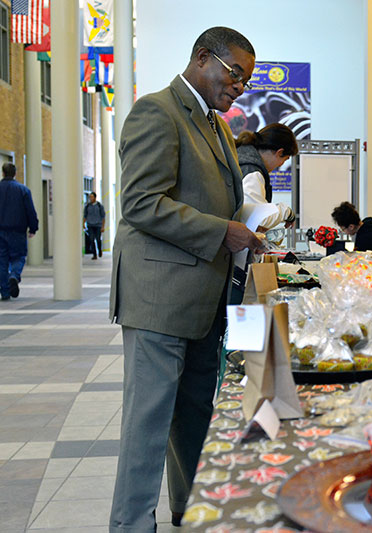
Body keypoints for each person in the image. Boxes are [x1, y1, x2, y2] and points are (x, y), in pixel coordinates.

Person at [108, 27, 264, 532]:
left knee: (194, 413)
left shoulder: (215, 125)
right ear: (203, 58)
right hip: (160, 298)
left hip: (203, 299)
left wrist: (253, 222)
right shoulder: (158, 111)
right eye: (234, 73)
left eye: (246, 80)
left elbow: (204, 198)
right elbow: (140, 204)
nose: (239, 87)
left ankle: (190, 508)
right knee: (148, 423)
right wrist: (224, 230)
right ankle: (131, 523)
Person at [230, 123, 299, 304]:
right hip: (234, 261)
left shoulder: (241, 157)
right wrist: (286, 211)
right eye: (283, 161)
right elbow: (254, 216)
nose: (278, 166)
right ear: (279, 152)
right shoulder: (252, 171)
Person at [0, 163, 38, 301]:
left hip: (0, 231)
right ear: (15, 173)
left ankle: (4, 292)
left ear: (3, 173)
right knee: (19, 257)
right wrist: (33, 228)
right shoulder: (23, 190)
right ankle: (14, 276)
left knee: (2, 261)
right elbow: (30, 211)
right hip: (18, 231)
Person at [83, 192, 106, 260]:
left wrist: (103, 226)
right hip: (90, 225)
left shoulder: (99, 206)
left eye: (92, 197)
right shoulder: (87, 206)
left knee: (98, 239)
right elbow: (85, 216)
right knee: (91, 239)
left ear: (95, 197)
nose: (90, 198)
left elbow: (103, 217)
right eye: (90, 197)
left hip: (98, 225)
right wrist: (83, 223)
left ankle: (100, 250)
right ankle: (94, 254)